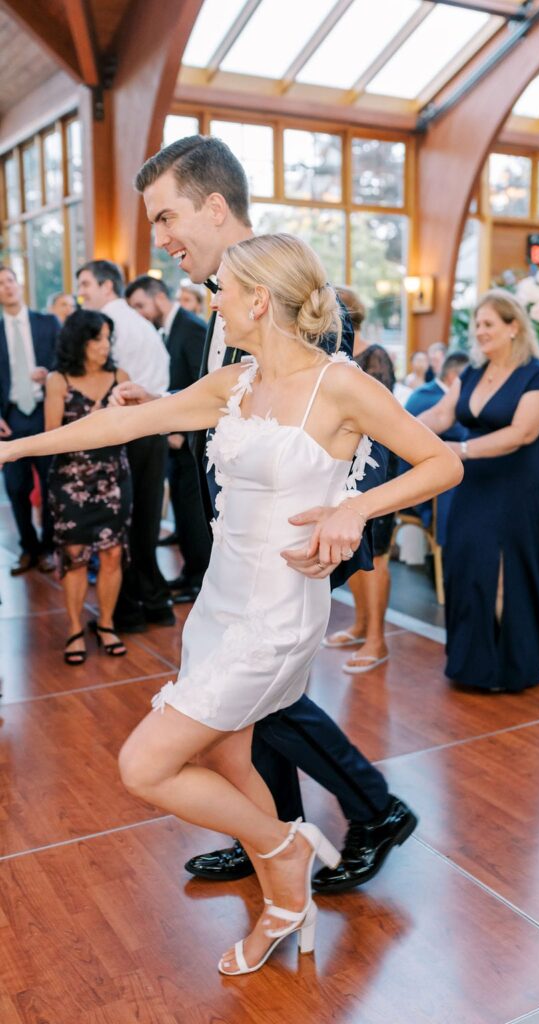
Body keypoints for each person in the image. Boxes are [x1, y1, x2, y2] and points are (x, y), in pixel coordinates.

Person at [0, 232, 462, 976]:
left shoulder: (339, 386)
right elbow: (125, 422)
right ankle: (287, 904)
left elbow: (444, 462)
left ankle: (284, 851)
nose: (212, 303)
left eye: (223, 291)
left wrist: (354, 508)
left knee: (144, 765)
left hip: (278, 613)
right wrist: (16, 448)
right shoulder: (235, 382)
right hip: (219, 603)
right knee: (226, 754)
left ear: (259, 299)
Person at [124, 134, 421, 900]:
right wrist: (159, 407)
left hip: (301, 537)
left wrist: (350, 521)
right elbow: (228, 407)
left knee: (262, 699)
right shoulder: (215, 295)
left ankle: (360, 812)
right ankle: (268, 832)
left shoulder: (287, 291)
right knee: (254, 707)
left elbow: (345, 427)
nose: (159, 237)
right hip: (238, 530)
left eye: (165, 217)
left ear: (213, 208)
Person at [421, 289, 539, 692]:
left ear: (514, 327)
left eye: (488, 323)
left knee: (505, 573)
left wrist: (461, 450)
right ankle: (473, 665)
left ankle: (512, 667)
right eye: (477, 324)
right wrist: (395, 430)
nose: (480, 331)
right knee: (466, 565)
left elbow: (522, 433)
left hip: (522, 487)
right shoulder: (473, 372)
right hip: (476, 485)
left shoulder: (535, 373)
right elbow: (440, 414)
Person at [77, 260, 173, 631]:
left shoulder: (108, 324)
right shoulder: (140, 322)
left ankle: (128, 610)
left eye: (86, 284)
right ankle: (156, 603)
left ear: (107, 286)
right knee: (146, 522)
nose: (81, 292)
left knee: (123, 523)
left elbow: (104, 380)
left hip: (128, 429)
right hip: (155, 428)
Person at [45, 310, 132, 664]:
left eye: (108, 338)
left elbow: (132, 426)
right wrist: (92, 420)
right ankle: (74, 628)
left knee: (112, 554)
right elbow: (51, 437)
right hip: (71, 481)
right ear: (79, 341)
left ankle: (106, 623)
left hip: (113, 478)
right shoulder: (58, 380)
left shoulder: (120, 377)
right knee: (75, 557)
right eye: (97, 338)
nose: (104, 345)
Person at [125, 274, 211, 602]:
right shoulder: (167, 329)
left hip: (190, 439)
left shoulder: (191, 328)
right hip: (174, 434)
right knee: (182, 511)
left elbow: (202, 385)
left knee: (193, 512)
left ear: (159, 297)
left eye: (140, 306)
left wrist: (182, 431)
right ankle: (190, 573)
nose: (139, 314)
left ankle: (200, 580)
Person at [324, 342, 396, 674]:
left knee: (376, 552)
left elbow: (380, 415)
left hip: (375, 462)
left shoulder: (373, 355)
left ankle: (377, 640)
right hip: (343, 459)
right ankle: (360, 624)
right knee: (353, 547)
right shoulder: (328, 352)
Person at [0, 264, 59, 576]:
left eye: (10, 280)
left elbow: (65, 362)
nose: (7, 287)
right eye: (0, 284)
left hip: (44, 412)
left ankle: (49, 548)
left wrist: (49, 375)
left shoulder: (47, 323)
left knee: (50, 483)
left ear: (19, 284)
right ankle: (28, 548)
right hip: (10, 418)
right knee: (15, 488)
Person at [401, 350, 469, 546]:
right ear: (454, 378)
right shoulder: (435, 399)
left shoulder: (427, 391)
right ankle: (450, 548)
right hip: (416, 486)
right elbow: (463, 434)